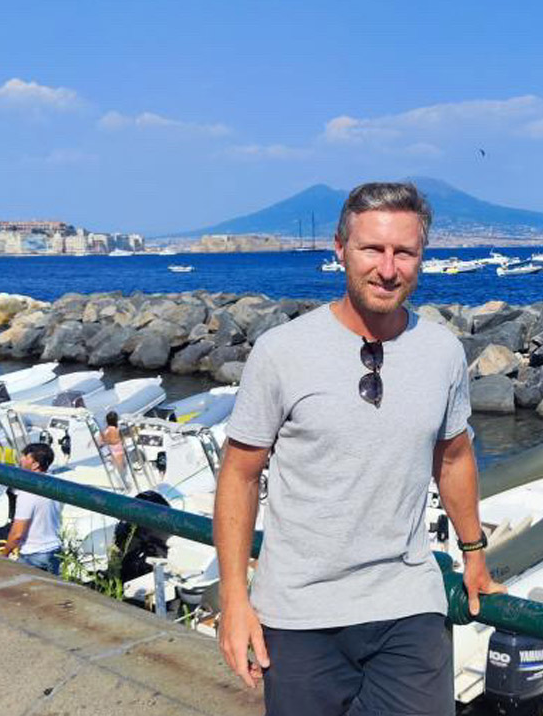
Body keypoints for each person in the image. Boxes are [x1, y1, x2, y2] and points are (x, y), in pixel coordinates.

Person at [214, 181, 504, 716]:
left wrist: (474, 554)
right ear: (341, 249)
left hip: (407, 602)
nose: (388, 269)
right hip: (300, 612)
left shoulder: (442, 351)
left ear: (422, 257)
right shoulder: (281, 352)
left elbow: (454, 457)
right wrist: (234, 599)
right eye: (372, 249)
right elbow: (239, 474)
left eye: (404, 252)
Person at [0, 442, 63, 575]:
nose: (21, 460)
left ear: (35, 465)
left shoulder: (27, 492)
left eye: (25, 457)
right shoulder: (55, 484)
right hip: (54, 550)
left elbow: (17, 534)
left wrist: (4, 554)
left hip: (33, 554)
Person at [102, 410, 126, 475]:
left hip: (111, 448)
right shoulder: (117, 428)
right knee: (121, 467)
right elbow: (122, 439)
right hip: (119, 447)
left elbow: (105, 440)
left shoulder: (108, 429)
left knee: (115, 465)